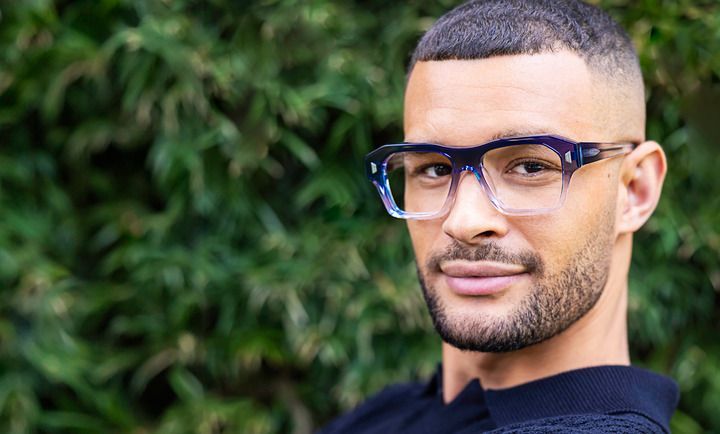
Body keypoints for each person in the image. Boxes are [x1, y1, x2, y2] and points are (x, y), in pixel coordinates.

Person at [320, 0, 678, 433]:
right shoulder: (383, 415)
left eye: (530, 166)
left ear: (635, 190)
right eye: (435, 168)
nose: (465, 221)